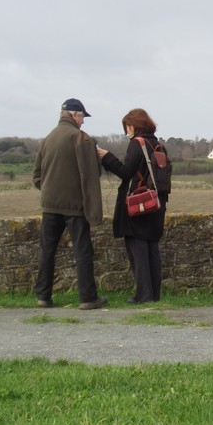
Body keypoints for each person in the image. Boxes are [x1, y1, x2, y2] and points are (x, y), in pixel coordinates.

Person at [32, 98, 107, 310]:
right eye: (82, 117)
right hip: (75, 205)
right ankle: (87, 298)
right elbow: (92, 173)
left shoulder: (47, 139)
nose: (83, 122)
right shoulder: (80, 138)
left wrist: (49, 190)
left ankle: (43, 297)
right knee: (83, 251)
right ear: (75, 115)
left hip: (49, 205)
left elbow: (36, 177)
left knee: (47, 250)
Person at [97, 108, 170, 304]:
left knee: (138, 252)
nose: (126, 131)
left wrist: (107, 157)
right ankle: (154, 295)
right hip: (156, 204)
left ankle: (143, 295)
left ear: (134, 126)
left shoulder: (136, 144)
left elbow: (125, 172)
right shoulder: (158, 145)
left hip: (138, 205)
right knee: (152, 250)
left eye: (127, 127)